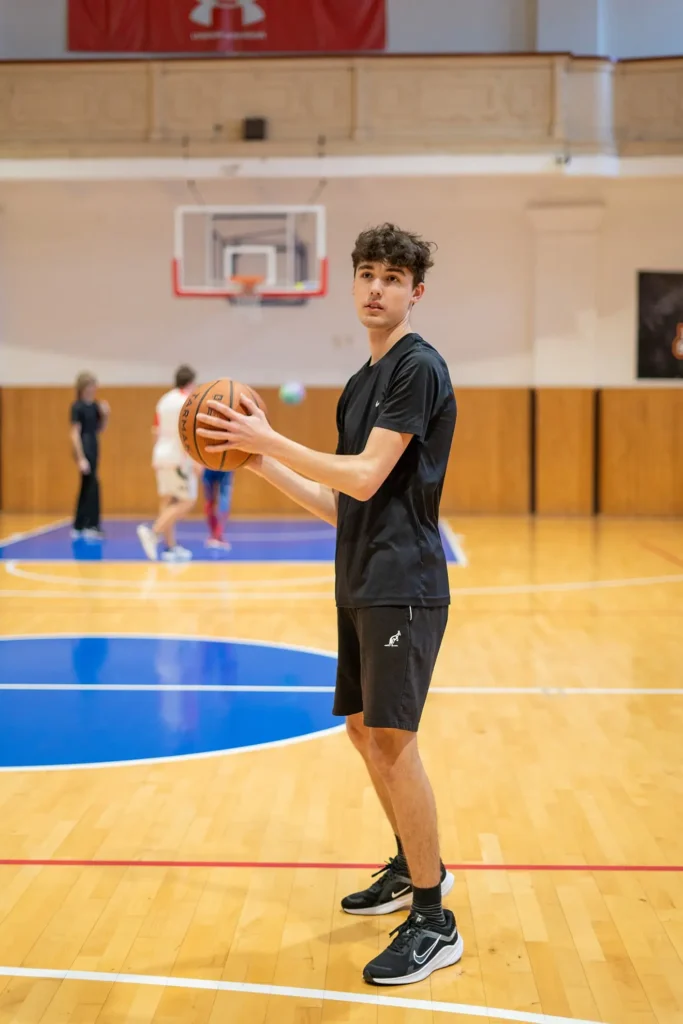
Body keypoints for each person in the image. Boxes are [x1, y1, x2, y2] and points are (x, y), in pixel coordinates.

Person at [196, 223, 461, 986]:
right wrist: (256, 461)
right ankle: (415, 867)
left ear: (415, 292)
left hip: (402, 583)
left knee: (393, 742)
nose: (376, 287)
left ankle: (433, 916)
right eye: (366, 274)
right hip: (359, 578)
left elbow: (370, 475)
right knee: (360, 732)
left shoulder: (416, 367)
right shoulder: (358, 383)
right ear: (352, 285)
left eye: (392, 277)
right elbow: (339, 501)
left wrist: (269, 438)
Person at [137, 365, 199, 563]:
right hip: (178, 457)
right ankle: (153, 533)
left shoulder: (164, 400)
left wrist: (156, 455)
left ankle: (170, 547)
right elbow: (187, 432)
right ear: (190, 383)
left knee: (168, 501)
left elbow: (155, 430)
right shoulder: (187, 402)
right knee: (187, 500)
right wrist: (195, 459)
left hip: (161, 454)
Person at [70, 372, 109, 538]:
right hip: (84, 447)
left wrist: (106, 414)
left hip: (94, 446)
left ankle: (79, 524)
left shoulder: (95, 406)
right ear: (83, 387)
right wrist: (80, 458)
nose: (94, 389)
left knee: (87, 485)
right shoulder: (77, 406)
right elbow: (74, 433)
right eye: (91, 385)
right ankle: (91, 525)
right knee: (93, 485)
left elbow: (101, 428)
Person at [203, 468, 234, 550]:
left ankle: (217, 534)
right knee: (211, 500)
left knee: (223, 500)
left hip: (225, 466)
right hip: (208, 465)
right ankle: (215, 534)